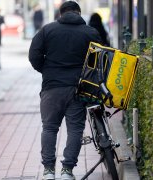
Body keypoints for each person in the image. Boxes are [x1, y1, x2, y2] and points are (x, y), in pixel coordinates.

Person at [28, 1, 101, 180]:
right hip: (78, 88)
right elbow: (99, 60)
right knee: (75, 129)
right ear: (78, 13)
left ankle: (48, 171)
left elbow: (34, 55)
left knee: (50, 128)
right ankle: (67, 171)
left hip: (51, 87)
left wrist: (46, 70)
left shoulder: (47, 30)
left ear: (60, 13)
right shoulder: (90, 32)